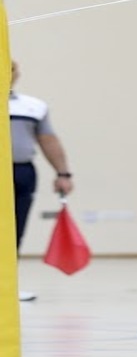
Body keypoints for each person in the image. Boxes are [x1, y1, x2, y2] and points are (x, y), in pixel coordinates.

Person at [9, 61, 75, 302]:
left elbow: (48, 140)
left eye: (11, 70)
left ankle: (7, 286)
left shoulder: (32, 106)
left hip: (21, 171)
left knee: (15, 229)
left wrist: (63, 173)